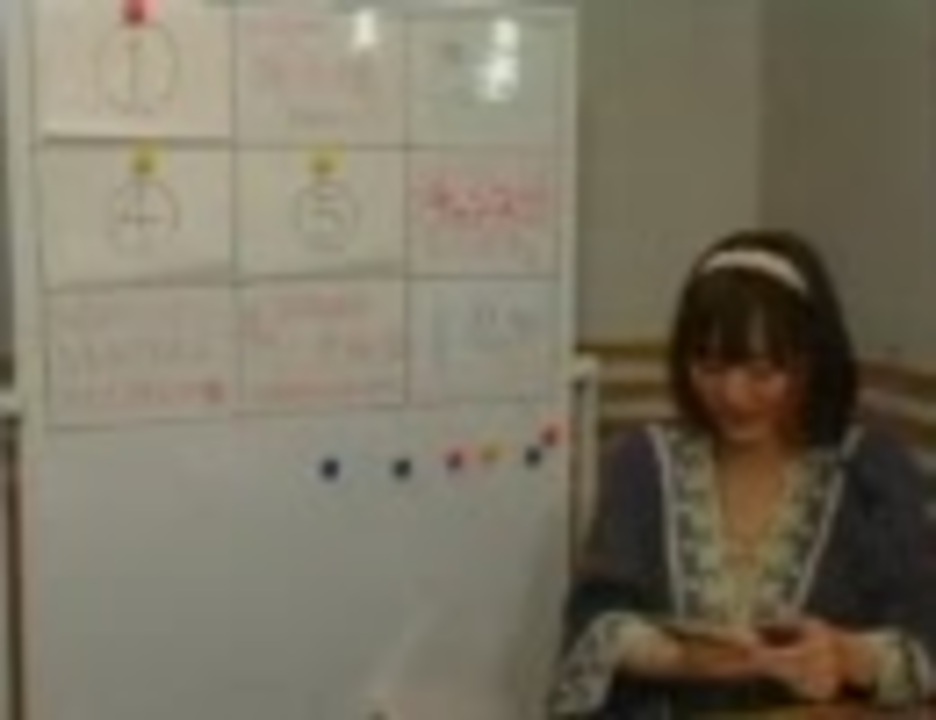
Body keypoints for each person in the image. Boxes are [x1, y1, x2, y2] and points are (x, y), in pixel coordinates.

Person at [550, 230, 936, 718]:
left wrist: (848, 656)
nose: (732, 395)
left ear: (812, 362)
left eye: (761, 372)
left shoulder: (871, 470)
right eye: (709, 366)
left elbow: (924, 639)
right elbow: (593, 623)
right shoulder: (643, 462)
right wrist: (681, 660)